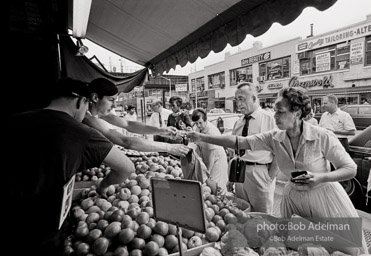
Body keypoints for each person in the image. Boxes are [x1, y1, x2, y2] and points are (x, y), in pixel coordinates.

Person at [189, 87, 366, 254]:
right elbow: (238, 142)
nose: (275, 116)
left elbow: (350, 169)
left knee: (334, 250)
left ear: (297, 113)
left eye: (280, 111)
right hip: (294, 202)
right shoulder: (275, 137)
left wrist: (321, 177)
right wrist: (200, 136)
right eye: (275, 111)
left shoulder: (322, 136)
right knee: (300, 249)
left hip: (324, 201)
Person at [5, 78, 135, 256]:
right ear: (81, 101)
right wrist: (103, 185)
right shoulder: (83, 133)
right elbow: (126, 167)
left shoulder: (12, 122)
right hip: (44, 228)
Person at [84, 78, 190, 156]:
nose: (114, 106)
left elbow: (129, 124)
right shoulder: (87, 118)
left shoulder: (102, 114)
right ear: (95, 98)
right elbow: (126, 141)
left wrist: (161, 130)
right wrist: (169, 147)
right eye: (111, 100)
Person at [227, 82, 278, 214]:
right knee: (243, 213)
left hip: (260, 172)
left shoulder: (270, 120)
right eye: (236, 100)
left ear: (254, 98)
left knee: (262, 216)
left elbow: (280, 150)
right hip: (240, 173)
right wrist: (231, 177)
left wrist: (270, 176)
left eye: (242, 99)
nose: (238, 104)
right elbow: (235, 152)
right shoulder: (239, 122)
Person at [190, 109, 229, 194]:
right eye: (196, 123)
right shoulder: (198, 128)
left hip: (216, 159)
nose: (198, 125)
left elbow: (212, 154)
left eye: (200, 122)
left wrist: (208, 171)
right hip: (206, 154)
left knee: (215, 184)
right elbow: (196, 143)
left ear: (205, 119)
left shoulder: (211, 131)